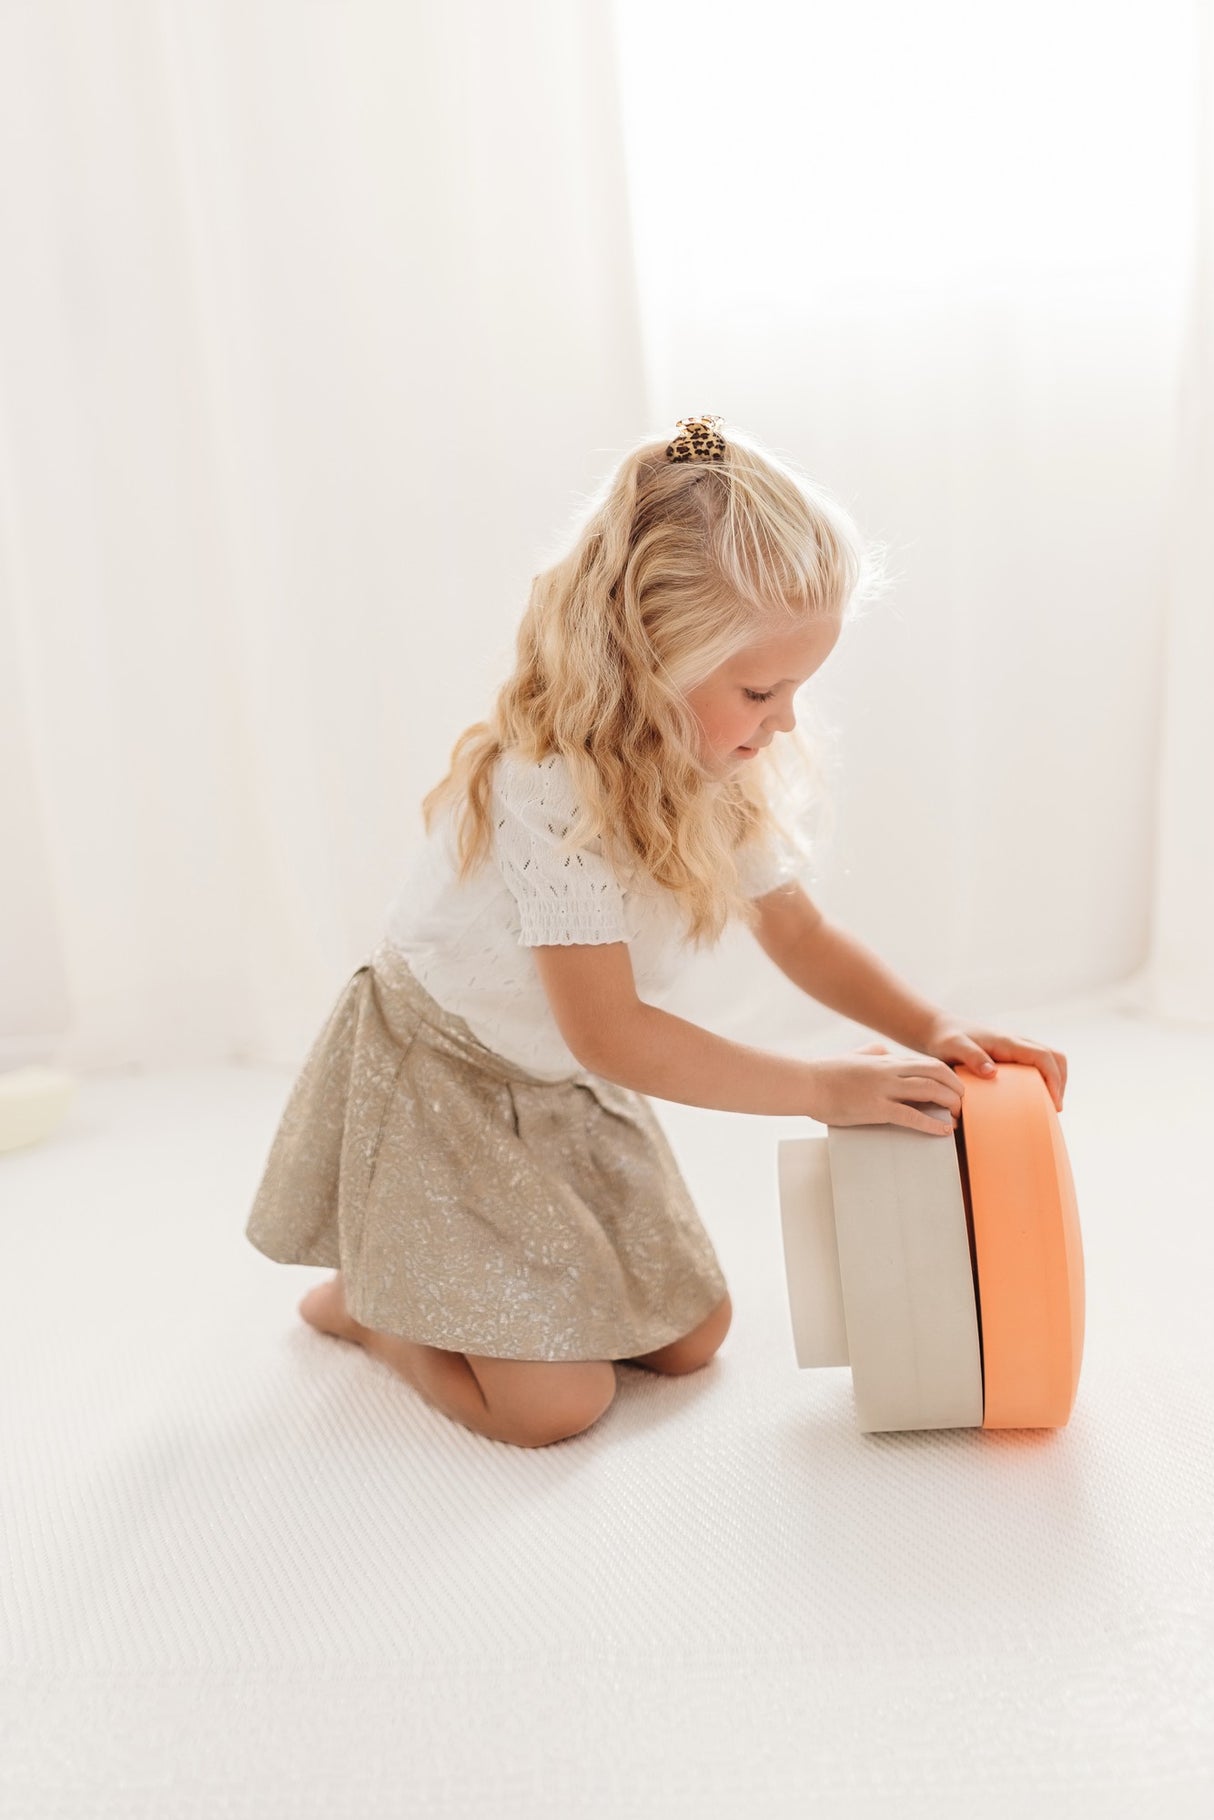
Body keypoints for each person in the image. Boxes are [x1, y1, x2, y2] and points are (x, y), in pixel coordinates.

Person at [244, 414, 1067, 1451]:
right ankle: (372, 1305)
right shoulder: (546, 787)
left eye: (796, 689)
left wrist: (933, 1025)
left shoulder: (710, 761)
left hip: (560, 1086)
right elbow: (612, 1034)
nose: (783, 723)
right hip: (448, 1080)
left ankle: (464, 1292)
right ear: (646, 658)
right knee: (556, 1405)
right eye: (759, 690)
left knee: (691, 1336)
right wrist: (817, 1089)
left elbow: (800, 935)